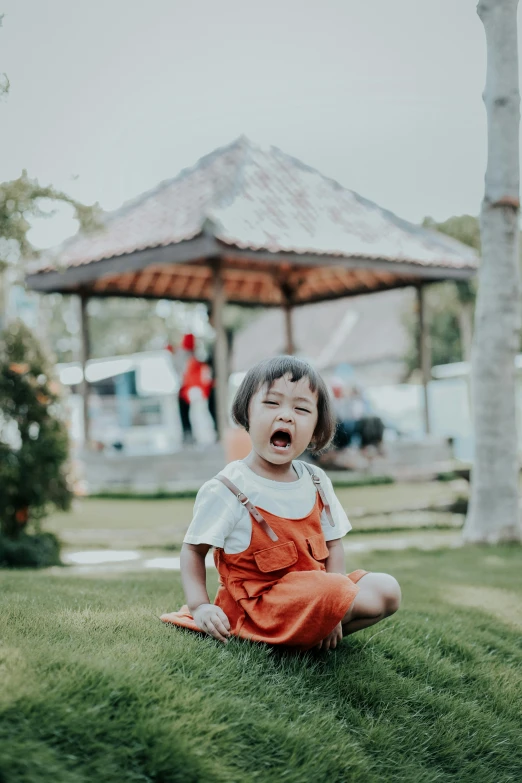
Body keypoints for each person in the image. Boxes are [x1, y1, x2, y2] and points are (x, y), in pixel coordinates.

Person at [161, 356, 401, 651]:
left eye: (301, 409)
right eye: (272, 404)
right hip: (259, 609)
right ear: (246, 412)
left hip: (318, 594)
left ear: (316, 427)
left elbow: (334, 545)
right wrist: (199, 606)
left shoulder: (316, 480)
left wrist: (334, 609)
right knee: (334, 591)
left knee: (387, 589)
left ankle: (311, 634)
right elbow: (193, 551)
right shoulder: (228, 487)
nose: (286, 416)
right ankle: (288, 638)